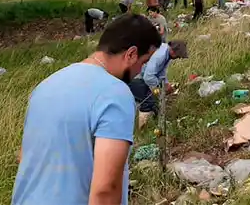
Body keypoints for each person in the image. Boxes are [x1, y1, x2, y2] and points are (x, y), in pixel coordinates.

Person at [12, 14, 161, 205]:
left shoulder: (45, 86)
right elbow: (105, 190)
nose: (140, 70)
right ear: (131, 54)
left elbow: (24, 157)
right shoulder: (115, 93)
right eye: (144, 61)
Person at [128, 40, 189, 128]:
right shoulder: (160, 55)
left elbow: (161, 73)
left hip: (138, 75)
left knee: (152, 102)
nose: (178, 58)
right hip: (133, 76)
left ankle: (155, 126)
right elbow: (148, 77)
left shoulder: (166, 54)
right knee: (148, 102)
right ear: (173, 50)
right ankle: (143, 129)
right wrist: (159, 86)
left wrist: (166, 84)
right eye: (178, 55)